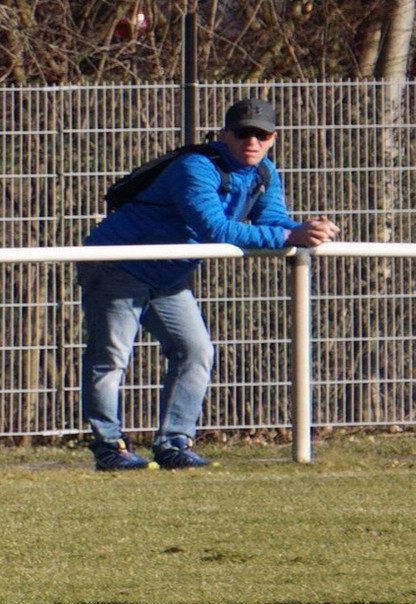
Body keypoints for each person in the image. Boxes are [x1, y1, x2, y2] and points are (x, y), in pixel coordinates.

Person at [79, 98, 339, 471]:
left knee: (196, 352)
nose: (252, 142)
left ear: (273, 138)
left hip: (168, 274)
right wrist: (290, 235)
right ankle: (109, 446)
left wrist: (306, 230)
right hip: (116, 264)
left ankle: (173, 444)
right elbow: (213, 229)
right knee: (111, 358)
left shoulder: (264, 171)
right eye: (243, 134)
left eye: (262, 135)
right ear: (224, 135)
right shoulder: (195, 166)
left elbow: (273, 220)